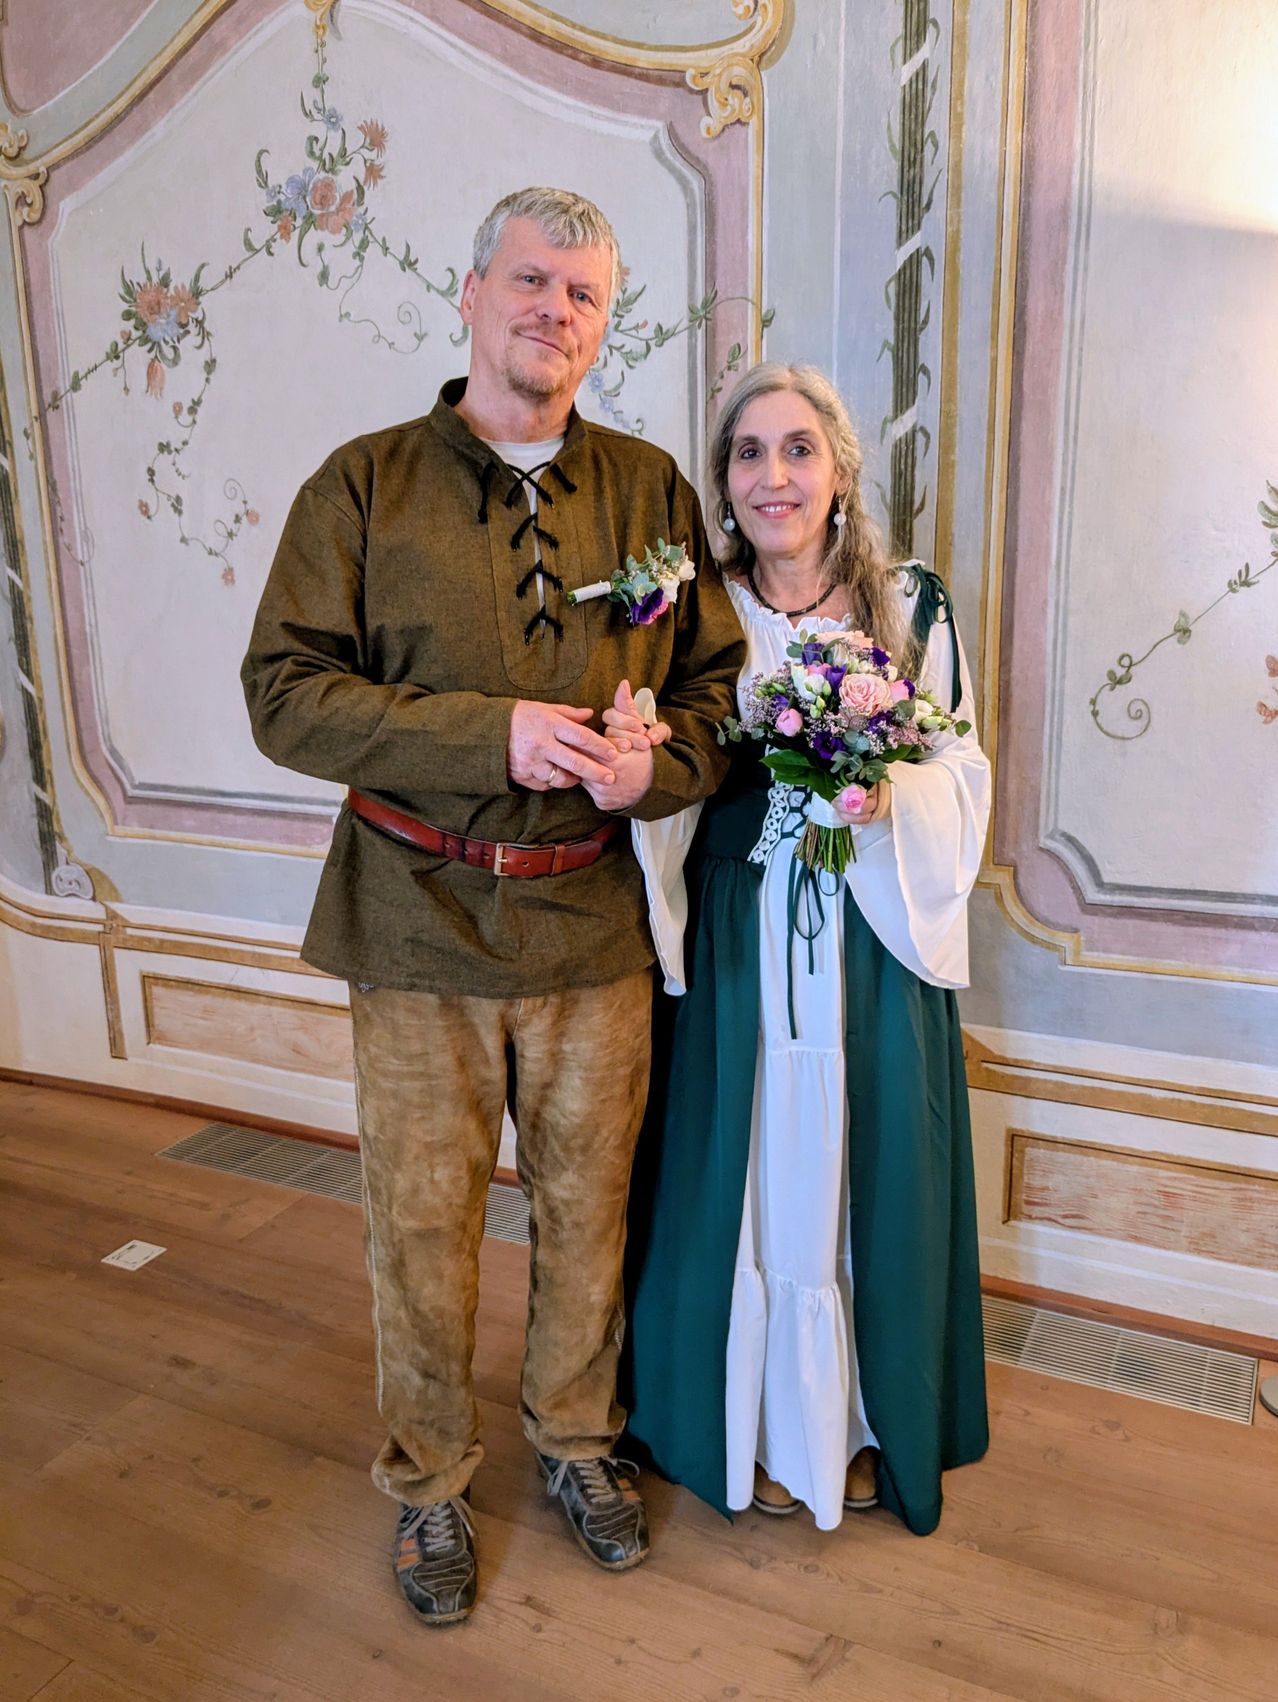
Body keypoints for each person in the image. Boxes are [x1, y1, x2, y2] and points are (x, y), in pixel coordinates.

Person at [240, 186, 744, 1625]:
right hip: (413, 920)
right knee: (420, 1225)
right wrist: (491, 736)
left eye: (583, 295)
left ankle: (577, 1444)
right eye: (531, 283)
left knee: (589, 1215)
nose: (555, 314)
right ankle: (428, 1478)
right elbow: (283, 695)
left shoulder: (650, 488)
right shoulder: (362, 483)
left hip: (590, 928)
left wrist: (660, 767)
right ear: (468, 293)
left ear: (602, 320)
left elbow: (710, 693)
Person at [615, 361, 991, 1536]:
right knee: (754, 1165)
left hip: (869, 929)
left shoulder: (911, 606)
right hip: (738, 929)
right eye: (745, 453)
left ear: (839, 470)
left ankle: (865, 1423)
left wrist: (886, 802)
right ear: (722, 482)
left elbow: (960, 767)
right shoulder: (695, 611)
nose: (771, 476)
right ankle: (754, 1423)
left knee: (854, 1166)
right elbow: (669, 761)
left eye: (795, 449)